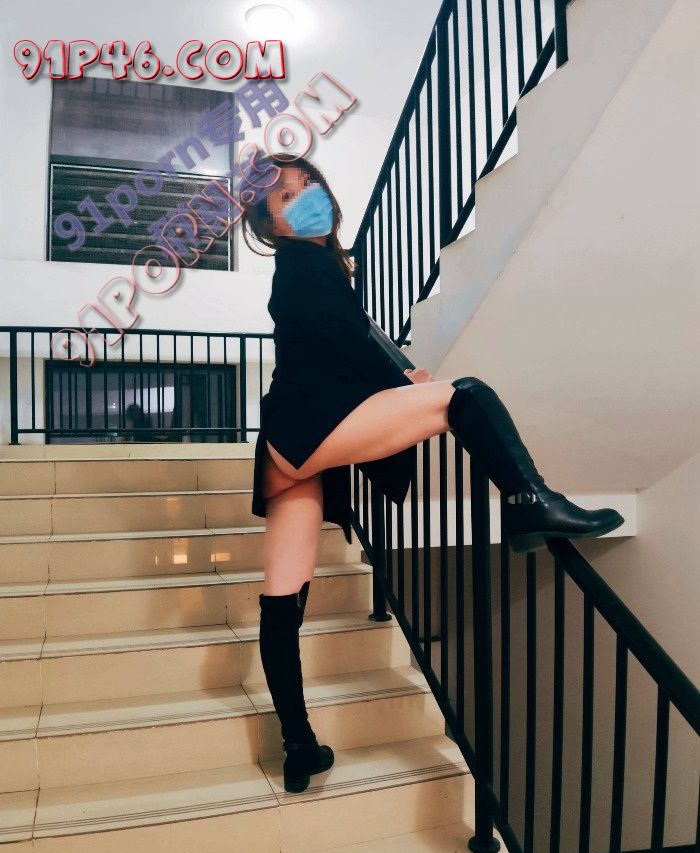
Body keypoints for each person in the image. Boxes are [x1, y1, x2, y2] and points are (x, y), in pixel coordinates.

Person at [238, 150, 624, 794]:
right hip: (307, 425)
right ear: (269, 223)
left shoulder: (310, 267)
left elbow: (338, 343)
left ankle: (298, 745)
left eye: (310, 185)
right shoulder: (304, 267)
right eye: (286, 196)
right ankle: (529, 502)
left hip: (285, 445)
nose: (305, 198)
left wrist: (394, 376)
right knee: (463, 397)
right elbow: (341, 343)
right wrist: (403, 383)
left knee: (283, 599)